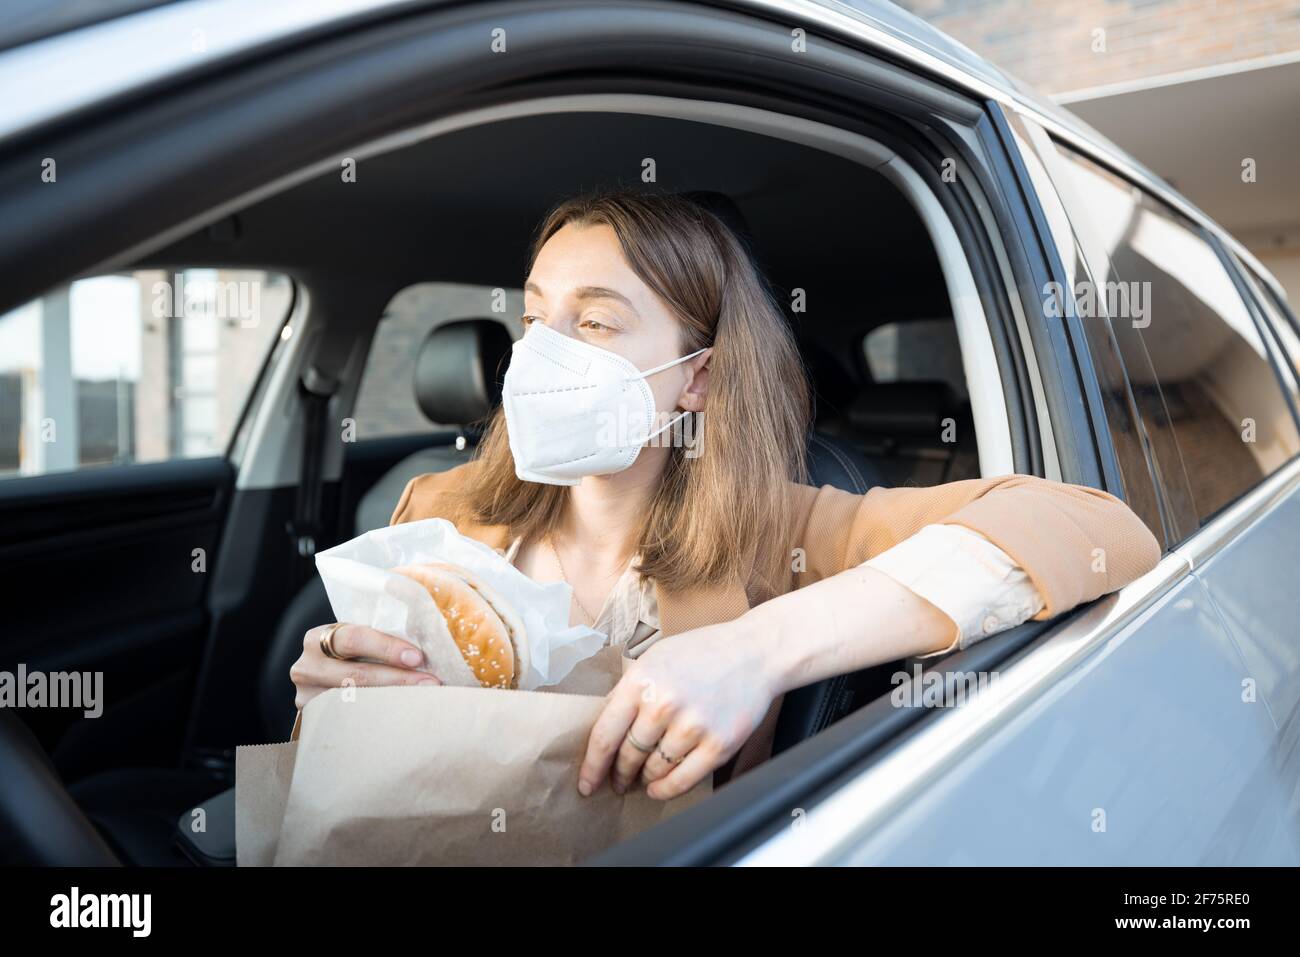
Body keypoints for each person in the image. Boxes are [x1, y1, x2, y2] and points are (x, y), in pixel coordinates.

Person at [290, 190, 1160, 801]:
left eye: (593, 322)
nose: (541, 354)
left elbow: (1094, 525)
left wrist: (758, 648)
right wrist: (331, 705)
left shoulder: (789, 529)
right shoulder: (438, 510)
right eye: (533, 317)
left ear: (696, 377)